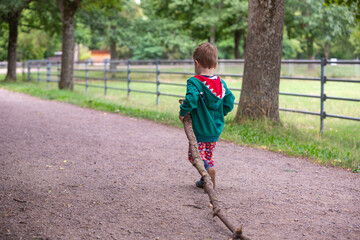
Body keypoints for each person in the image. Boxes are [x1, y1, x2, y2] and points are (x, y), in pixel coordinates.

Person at [179, 42, 235, 189]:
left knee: (194, 155)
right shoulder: (221, 83)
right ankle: (205, 180)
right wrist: (221, 113)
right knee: (208, 155)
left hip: (200, 128)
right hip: (215, 128)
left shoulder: (194, 82)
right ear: (215, 65)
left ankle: (207, 173)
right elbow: (230, 101)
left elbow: (191, 100)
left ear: (196, 63)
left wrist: (183, 112)